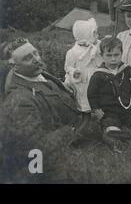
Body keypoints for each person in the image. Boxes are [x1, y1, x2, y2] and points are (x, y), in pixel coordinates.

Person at [1, 39, 88, 176]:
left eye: (35, 53)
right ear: (14, 66)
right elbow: (36, 146)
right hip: (77, 143)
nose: (36, 59)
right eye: (27, 58)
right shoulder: (20, 100)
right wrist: (72, 130)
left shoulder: (34, 72)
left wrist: (68, 90)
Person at [87, 37, 131, 142]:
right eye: (109, 56)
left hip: (128, 109)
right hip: (109, 111)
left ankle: (125, 135)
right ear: (102, 56)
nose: (113, 59)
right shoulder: (98, 75)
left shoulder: (127, 70)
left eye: (116, 55)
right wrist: (96, 109)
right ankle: (117, 134)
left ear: (121, 54)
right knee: (112, 129)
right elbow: (91, 94)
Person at [64, 18, 102, 113]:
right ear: (86, 35)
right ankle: (86, 117)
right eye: (94, 33)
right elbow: (67, 67)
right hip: (82, 79)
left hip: (94, 76)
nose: (96, 36)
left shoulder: (96, 46)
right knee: (84, 99)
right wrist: (73, 71)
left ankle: (99, 114)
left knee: (97, 94)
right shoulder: (73, 52)